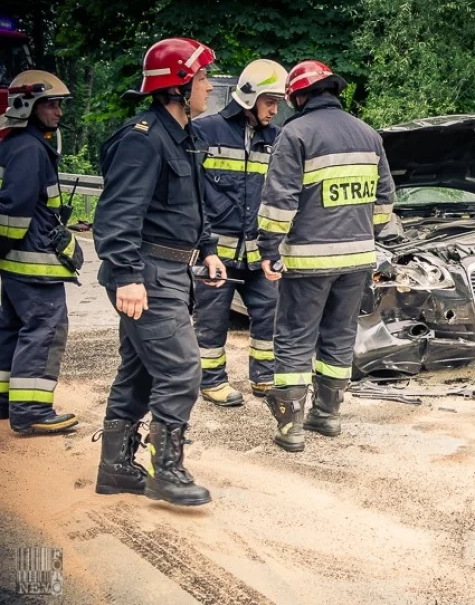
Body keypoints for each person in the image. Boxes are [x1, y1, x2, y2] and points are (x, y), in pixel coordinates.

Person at [94, 37, 224, 505]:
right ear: (179, 86)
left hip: (171, 270)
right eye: (203, 78)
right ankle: (166, 470)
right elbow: (117, 215)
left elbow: (189, 206)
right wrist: (127, 276)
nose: (209, 87)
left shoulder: (185, 137)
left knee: (139, 372)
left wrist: (207, 249)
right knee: (183, 369)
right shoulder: (142, 139)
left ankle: (115, 469)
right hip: (146, 274)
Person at [258, 60, 394, 452]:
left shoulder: (295, 133)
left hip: (308, 261)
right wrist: (364, 234)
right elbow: (385, 201)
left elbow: (280, 201)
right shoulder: (369, 135)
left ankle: (291, 427)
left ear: (297, 97)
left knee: (295, 337)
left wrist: (269, 248)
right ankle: (328, 414)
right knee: (338, 336)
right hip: (357, 259)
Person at [192, 59, 287, 406]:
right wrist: (205, 249)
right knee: (212, 321)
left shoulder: (276, 139)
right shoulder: (205, 131)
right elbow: (194, 196)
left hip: (259, 253)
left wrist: (274, 249)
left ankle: (264, 378)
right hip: (216, 253)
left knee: (269, 315)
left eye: (277, 102)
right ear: (249, 97)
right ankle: (211, 381)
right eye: (269, 101)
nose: (274, 110)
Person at [0, 70, 80, 434]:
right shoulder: (30, 149)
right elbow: (15, 211)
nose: (58, 112)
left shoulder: (16, 144)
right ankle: (31, 410)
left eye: (59, 105)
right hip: (34, 264)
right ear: (27, 106)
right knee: (45, 329)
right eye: (50, 104)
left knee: (13, 328)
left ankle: (6, 401)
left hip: (16, 262)